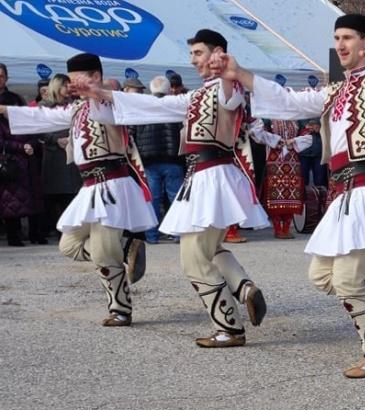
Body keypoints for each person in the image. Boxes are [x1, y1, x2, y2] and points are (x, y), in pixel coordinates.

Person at [213, 14, 365, 377]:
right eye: (337, 38)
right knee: (320, 274)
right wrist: (241, 73)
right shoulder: (338, 90)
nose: (340, 45)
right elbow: (289, 101)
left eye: (348, 38)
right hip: (343, 193)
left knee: (346, 279)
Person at [79, 30, 269, 348]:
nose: (192, 60)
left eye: (197, 53)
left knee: (193, 258)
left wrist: (225, 70)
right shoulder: (195, 95)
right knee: (205, 250)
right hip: (202, 178)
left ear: (217, 53)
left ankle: (229, 327)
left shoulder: (228, 87)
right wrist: (102, 94)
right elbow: (153, 106)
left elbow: (231, 94)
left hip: (214, 178)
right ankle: (242, 291)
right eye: (192, 53)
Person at [0, 54, 154, 324]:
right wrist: (3, 109)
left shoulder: (109, 103)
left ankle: (120, 309)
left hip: (110, 184)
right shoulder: (77, 108)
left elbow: (108, 110)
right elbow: (43, 115)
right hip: (90, 186)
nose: (71, 85)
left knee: (105, 253)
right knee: (69, 244)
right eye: (69, 80)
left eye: (75, 79)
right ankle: (127, 245)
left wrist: (97, 92)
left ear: (95, 76)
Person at [128, 76, 185, 245]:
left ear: (151, 90)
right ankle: (177, 233)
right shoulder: (175, 106)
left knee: (152, 198)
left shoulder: (141, 107)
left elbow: (132, 132)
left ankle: (151, 235)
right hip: (173, 158)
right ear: (168, 90)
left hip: (149, 160)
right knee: (176, 197)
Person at [0, 63, 38, 246]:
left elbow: (30, 126)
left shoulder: (15, 99)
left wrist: (28, 145)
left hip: (17, 160)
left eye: (1, 75)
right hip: (8, 156)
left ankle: (28, 234)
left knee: (18, 199)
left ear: (6, 78)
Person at [40, 74, 81, 235]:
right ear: (57, 86)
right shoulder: (44, 106)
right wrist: (56, 140)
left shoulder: (74, 105)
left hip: (71, 156)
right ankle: (53, 229)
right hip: (53, 157)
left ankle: (69, 230)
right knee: (53, 196)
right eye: (65, 85)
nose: (68, 89)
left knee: (71, 194)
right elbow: (39, 130)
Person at [260, 118, 312, 239]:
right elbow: (259, 133)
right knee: (275, 194)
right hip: (274, 159)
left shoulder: (296, 119)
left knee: (292, 194)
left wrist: (293, 140)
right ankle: (278, 228)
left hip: (292, 160)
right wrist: (276, 140)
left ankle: (286, 228)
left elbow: (308, 135)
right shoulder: (268, 118)